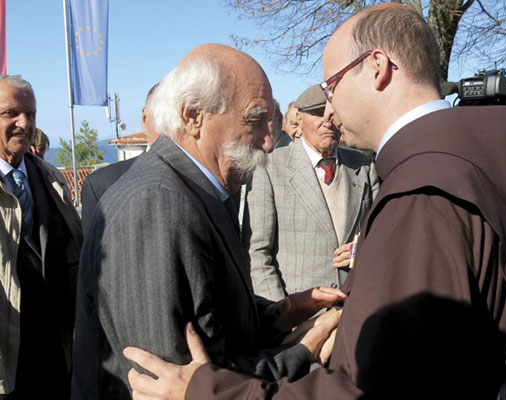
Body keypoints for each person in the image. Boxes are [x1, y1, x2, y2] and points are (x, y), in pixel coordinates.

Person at [123, 4, 506, 398]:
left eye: (332, 84)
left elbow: (375, 390)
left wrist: (210, 391)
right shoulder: (451, 168)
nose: (331, 107)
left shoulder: (422, 197)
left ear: (377, 68)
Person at [72, 44, 344, 400]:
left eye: (271, 122)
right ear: (193, 116)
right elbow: (177, 382)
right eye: (254, 120)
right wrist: (305, 348)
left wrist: (278, 315)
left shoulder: (197, 191)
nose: (267, 143)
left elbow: (211, 324)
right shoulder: (157, 204)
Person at [247, 84, 379, 301]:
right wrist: (283, 313)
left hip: (356, 310)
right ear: (299, 118)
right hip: (299, 320)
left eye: (334, 113)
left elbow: (383, 234)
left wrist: (362, 249)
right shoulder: (269, 169)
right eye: (318, 113)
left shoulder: (365, 166)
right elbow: (257, 254)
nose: (328, 120)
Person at [0, 75, 82, 399]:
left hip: (58, 356)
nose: (24, 123)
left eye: (31, 114)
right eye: (11, 114)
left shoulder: (52, 180)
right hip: (8, 366)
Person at [80, 83, 160, 233]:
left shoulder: (211, 183)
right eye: (163, 116)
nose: (172, 125)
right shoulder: (102, 185)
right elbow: (93, 254)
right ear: (144, 117)